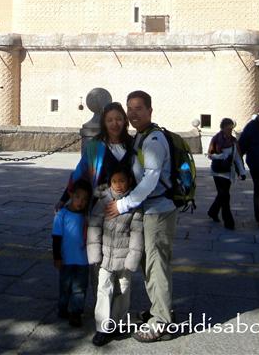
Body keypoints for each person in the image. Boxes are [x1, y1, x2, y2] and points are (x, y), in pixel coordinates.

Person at [104, 90, 176, 344]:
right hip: (150, 210)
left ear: (150, 110)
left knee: (156, 266)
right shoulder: (141, 137)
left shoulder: (153, 140)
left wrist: (124, 205)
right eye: (130, 109)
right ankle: (160, 308)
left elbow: (151, 179)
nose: (133, 114)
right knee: (150, 265)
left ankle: (162, 322)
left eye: (138, 109)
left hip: (158, 210)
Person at [87, 166, 144, 347]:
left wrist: (132, 259)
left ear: (129, 181)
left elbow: (137, 234)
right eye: (114, 181)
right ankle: (102, 328)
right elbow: (94, 227)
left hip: (124, 257)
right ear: (109, 183)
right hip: (104, 256)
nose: (118, 185)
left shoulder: (133, 204)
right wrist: (95, 254)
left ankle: (118, 322)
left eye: (122, 181)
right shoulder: (103, 201)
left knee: (123, 290)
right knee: (103, 289)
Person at [56, 102, 133, 211]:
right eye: (109, 120)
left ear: (125, 120)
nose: (114, 124)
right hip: (100, 205)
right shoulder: (96, 145)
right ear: (104, 123)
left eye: (118, 119)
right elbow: (80, 172)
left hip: (128, 205)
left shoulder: (133, 144)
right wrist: (63, 199)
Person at [52, 179, 92, 327]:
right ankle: (63, 307)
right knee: (65, 286)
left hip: (83, 260)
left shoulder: (87, 216)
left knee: (80, 289)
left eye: (85, 199)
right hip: (66, 260)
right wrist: (57, 257)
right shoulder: (61, 215)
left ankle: (76, 313)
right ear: (71, 195)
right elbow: (56, 238)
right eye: (77, 197)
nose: (80, 202)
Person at [207, 118, 247, 230]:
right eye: (228, 128)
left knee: (222, 195)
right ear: (223, 128)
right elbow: (210, 155)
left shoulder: (234, 141)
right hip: (218, 172)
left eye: (231, 128)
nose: (230, 130)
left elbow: (237, 158)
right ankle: (229, 222)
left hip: (229, 172)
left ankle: (212, 212)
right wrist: (222, 157)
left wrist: (242, 172)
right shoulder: (216, 139)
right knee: (225, 196)